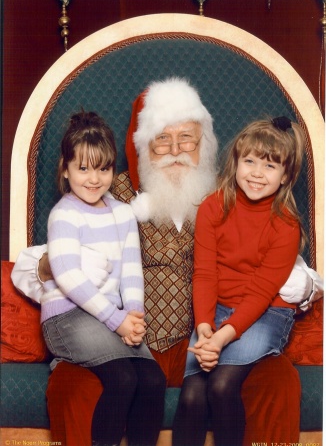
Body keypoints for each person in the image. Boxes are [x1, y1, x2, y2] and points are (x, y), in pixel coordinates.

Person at [11, 78, 320, 446]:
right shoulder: (108, 190)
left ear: (202, 144)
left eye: (186, 138)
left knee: (278, 381)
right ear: (143, 146)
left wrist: (305, 283)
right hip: (125, 340)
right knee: (70, 386)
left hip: (211, 336)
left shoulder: (227, 195)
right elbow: (34, 264)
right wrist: (48, 265)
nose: (175, 150)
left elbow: (277, 263)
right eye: (161, 139)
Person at [173, 116, 306, 446]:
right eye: (250, 161)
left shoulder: (287, 226)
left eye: (270, 166)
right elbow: (204, 273)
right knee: (191, 397)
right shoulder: (212, 206)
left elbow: (261, 293)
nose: (257, 174)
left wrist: (218, 341)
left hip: (267, 312)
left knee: (220, 385)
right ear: (236, 161)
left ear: (286, 176)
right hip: (216, 308)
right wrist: (205, 328)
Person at [40, 110, 166, 446]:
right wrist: (116, 320)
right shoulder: (64, 214)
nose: (94, 179)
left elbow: (130, 269)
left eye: (103, 168)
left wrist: (134, 315)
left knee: (153, 379)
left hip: (113, 319)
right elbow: (67, 277)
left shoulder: (123, 213)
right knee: (123, 377)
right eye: (83, 169)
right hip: (66, 319)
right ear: (66, 170)